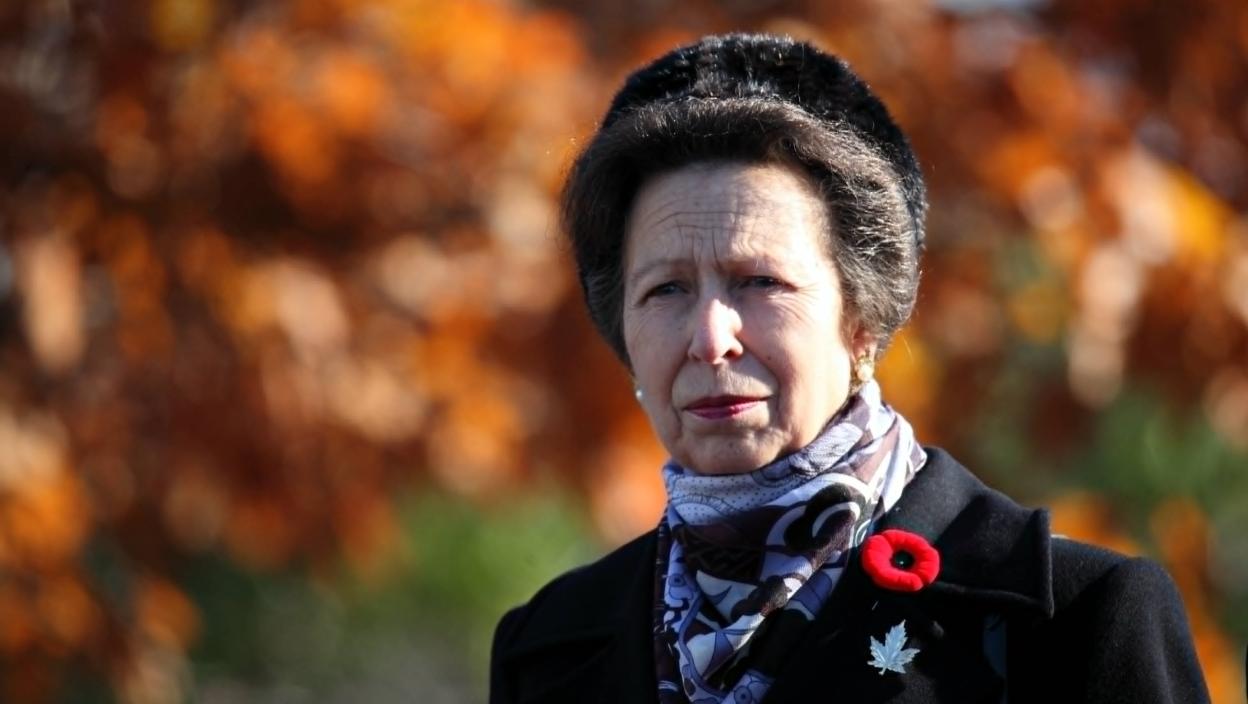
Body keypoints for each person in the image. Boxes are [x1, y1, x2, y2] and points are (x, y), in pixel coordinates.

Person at [489, 33, 1210, 704]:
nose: (710, 338)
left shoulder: (1069, 620)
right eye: (665, 290)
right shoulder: (549, 648)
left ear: (863, 319)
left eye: (760, 282)